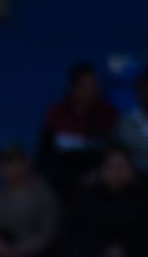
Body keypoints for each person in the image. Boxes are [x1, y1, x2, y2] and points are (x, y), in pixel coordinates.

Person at [37, 61, 119, 201]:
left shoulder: (108, 115)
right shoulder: (57, 115)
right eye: (86, 86)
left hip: (98, 187)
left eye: (94, 86)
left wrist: (98, 175)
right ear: (73, 88)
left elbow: (115, 155)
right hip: (61, 187)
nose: (93, 91)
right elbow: (44, 156)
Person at [115, 65, 148, 188]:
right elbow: (118, 149)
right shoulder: (127, 120)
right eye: (142, 88)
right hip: (131, 181)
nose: (145, 93)